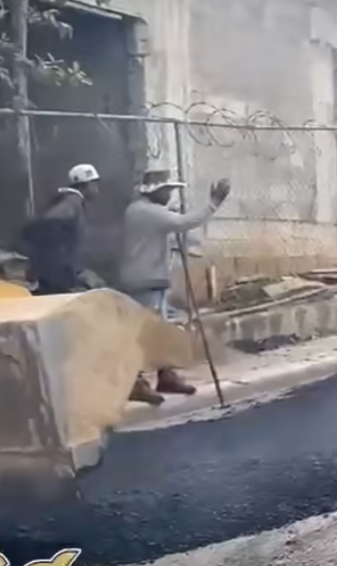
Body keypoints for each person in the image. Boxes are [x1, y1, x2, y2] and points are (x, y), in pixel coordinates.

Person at [119, 169, 231, 404]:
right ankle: (135, 381)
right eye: (167, 191)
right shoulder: (144, 211)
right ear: (155, 192)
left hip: (152, 279)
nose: (169, 195)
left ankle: (165, 375)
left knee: (160, 331)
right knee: (143, 333)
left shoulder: (147, 211)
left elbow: (176, 231)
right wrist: (212, 205)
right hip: (143, 280)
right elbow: (183, 223)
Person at [19, 164, 99, 295]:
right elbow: (46, 229)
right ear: (83, 185)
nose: (97, 188)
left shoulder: (74, 203)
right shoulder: (71, 204)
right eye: (94, 183)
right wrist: (64, 268)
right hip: (56, 278)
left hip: (58, 275)